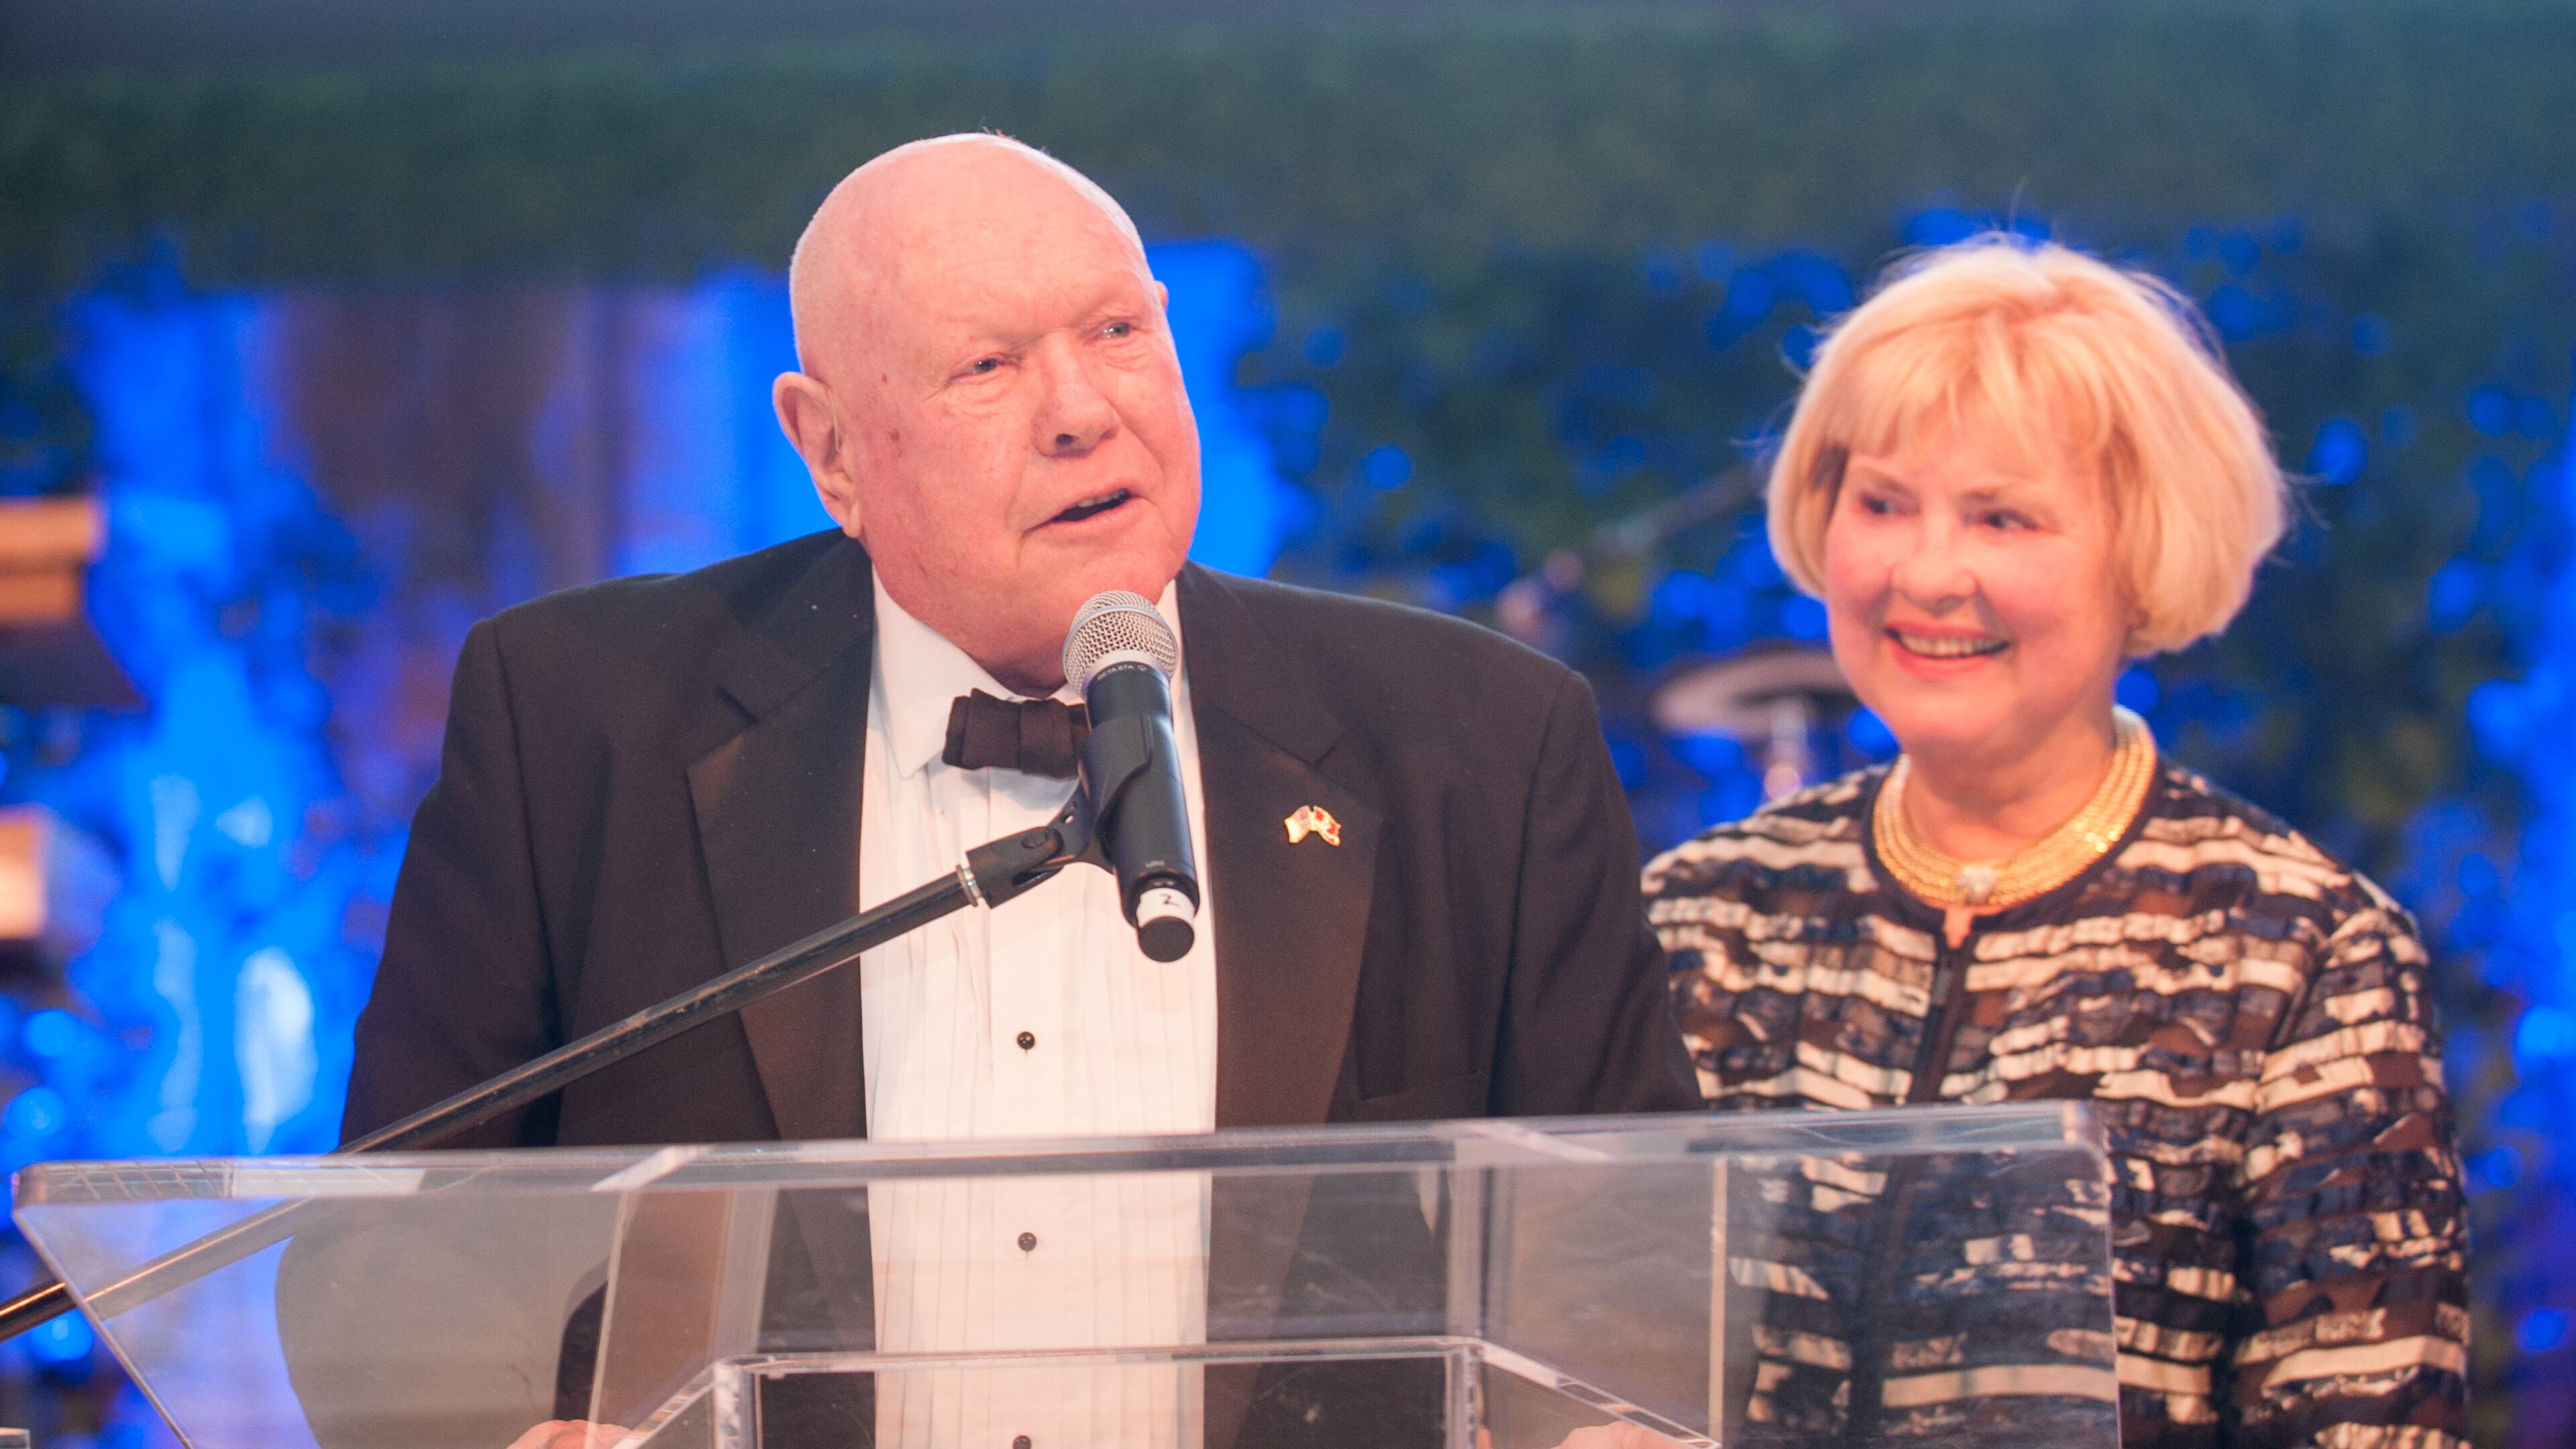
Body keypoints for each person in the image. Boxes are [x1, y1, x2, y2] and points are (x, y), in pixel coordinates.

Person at [334, 133, 1698, 1449]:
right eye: (986, 366)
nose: (1084, 412)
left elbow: (1633, 1266)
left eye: (1118, 333)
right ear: (833, 453)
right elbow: (396, 1249)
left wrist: (1605, 1428)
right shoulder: (583, 724)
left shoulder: (1480, 741)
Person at [1642, 237, 2469, 1449]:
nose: (1928, 572)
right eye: (1882, 503)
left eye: (2004, 519)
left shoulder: (2304, 952)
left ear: (2142, 557)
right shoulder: (1702, 915)